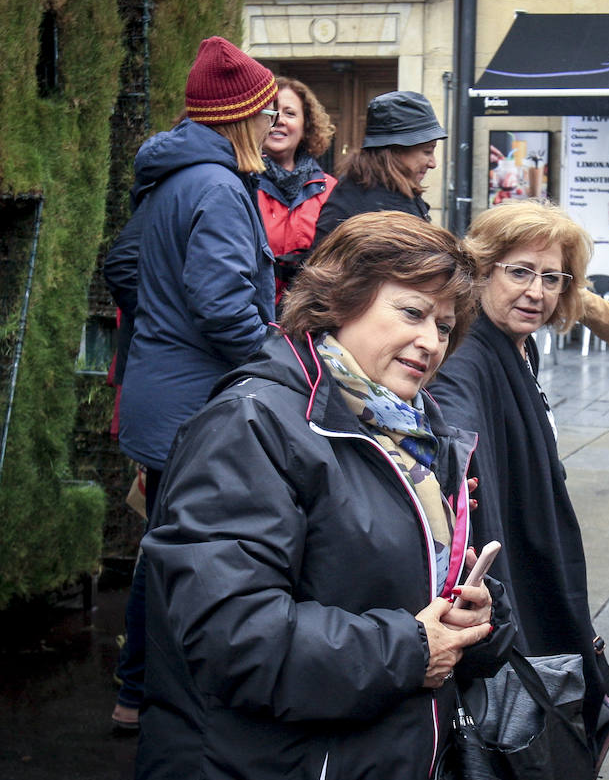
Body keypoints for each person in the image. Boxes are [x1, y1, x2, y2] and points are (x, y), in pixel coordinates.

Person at [124, 212, 511, 780]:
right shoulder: (252, 424)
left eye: (445, 325)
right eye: (412, 311)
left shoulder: (409, 434)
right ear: (340, 298)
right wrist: (409, 647)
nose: (431, 341)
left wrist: (473, 617)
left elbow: (400, 586)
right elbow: (230, 632)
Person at [102, 36, 279, 733]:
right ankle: (144, 692)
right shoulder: (216, 187)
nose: (273, 126)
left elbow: (132, 268)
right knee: (182, 547)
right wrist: (274, 366)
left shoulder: (180, 178)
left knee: (168, 542)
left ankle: (136, 691)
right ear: (240, 118)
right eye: (266, 112)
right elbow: (222, 304)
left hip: (165, 393)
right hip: (194, 403)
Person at [429, 200, 609, 731]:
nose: (537, 291)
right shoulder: (466, 358)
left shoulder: (515, 347)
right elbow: (462, 457)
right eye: (520, 272)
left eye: (552, 277)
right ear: (482, 271)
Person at [313, 90, 446, 245]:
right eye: (427, 151)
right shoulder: (380, 209)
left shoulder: (361, 192)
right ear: (396, 150)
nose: (433, 163)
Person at [257, 76, 337, 297]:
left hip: (309, 318)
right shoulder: (240, 182)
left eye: (289, 113)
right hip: (250, 316)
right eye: (270, 112)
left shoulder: (330, 190)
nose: (279, 120)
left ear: (306, 125)